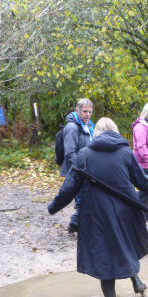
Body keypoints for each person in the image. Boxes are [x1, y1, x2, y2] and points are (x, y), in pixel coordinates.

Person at [47, 117, 148, 297]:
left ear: (97, 133)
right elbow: (142, 180)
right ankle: (135, 278)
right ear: (116, 132)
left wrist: (54, 206)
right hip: (126, 210)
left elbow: (70, 186)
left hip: (96, 214)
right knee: (126, 245)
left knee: (104, 258)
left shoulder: (84, 154)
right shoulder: (126, 152)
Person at [60, 98, 95, 233]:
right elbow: (69, 153)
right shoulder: (72, 127)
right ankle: (76, 224)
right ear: (77, 111)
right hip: (76, 170)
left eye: (90, 112)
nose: (87, 114)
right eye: (85, 111)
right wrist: (81, 169)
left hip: (86, 169)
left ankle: (75, 224)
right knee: (82, 199)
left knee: (85, 198)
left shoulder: (88, 126)